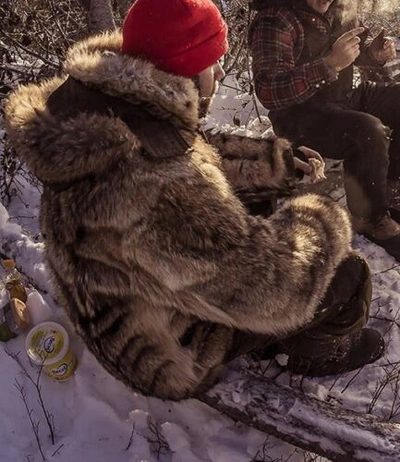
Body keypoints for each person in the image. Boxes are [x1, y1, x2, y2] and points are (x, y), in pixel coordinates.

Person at [5, 0, 383, 400]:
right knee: (347, 274)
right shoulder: (153, 188)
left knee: (256, 208)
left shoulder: (108, 109)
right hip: (168, 354)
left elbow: (187, 153)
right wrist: (320, 213)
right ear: (183, 66)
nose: (221, 70)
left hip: (129, 310)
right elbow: (280, 290)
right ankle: (308, 358)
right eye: (213, 60)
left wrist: (277, 165)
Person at [249, 0, 400, 261]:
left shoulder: (341, 6)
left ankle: (389, 185)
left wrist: (372, 54)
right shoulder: (276, 18)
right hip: (300, 116)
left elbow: (352, 50)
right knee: (367, 130)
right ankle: (370, 217)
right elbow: (269, 90)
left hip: (341, 96)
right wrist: (329, 65)